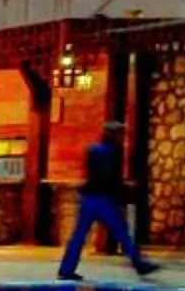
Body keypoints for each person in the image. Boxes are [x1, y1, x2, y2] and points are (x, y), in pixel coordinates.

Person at [59, 120, 158, 281]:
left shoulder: (92, 149)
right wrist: (122, 196)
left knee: (79, 235)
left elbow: (93, 174)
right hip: (104, 199)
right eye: (120, 134)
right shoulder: (115, 151)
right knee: (122, 232)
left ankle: (66, 268)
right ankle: (139, 263)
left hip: (88, 197)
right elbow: (113, 178)